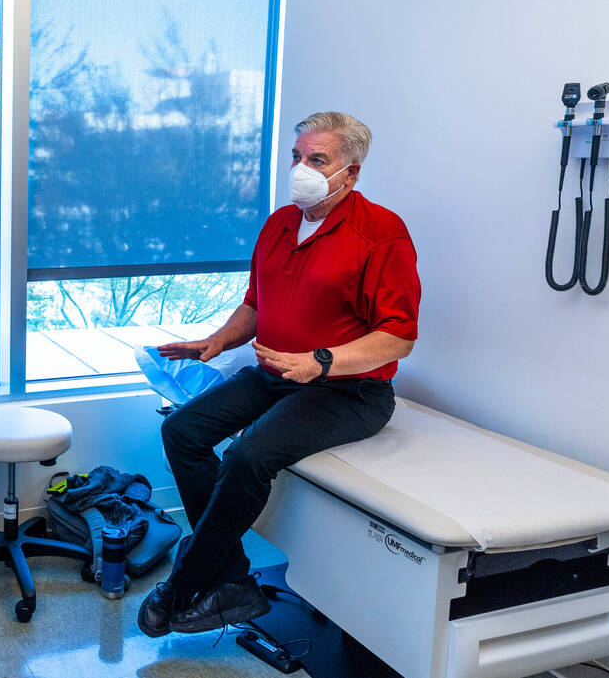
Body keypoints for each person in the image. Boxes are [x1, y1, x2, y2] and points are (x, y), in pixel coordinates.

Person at [138, 111, 421, 636]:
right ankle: (232, 580)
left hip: (348, 390)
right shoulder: (280, 223)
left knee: (247, 456)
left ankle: (185, 583)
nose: (301, 169)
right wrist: (217, 340)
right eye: (297, 157)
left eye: (318, 159)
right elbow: (255, 304)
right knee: (182, 431)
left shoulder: (381, 232)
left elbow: (398, 335)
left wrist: (322, 361)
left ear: (351, 173)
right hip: (274, 372)